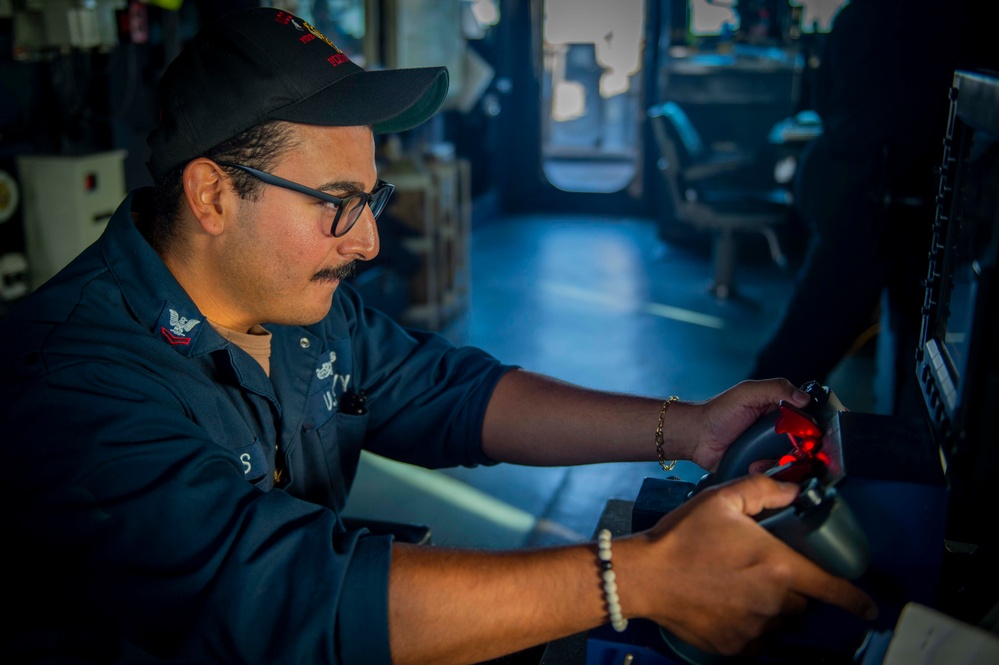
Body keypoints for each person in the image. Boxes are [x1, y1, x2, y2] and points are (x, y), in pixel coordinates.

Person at [0, 7, 876, 665]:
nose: (370, 239)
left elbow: (450, 393)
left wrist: (691, 428)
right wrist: (638, 577)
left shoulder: (295, 307)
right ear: (212, 195)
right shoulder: (67, 385)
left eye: (370, 199)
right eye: (339, 203)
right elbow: (282, 596)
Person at [747, 0, 961, 416]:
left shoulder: (856, 14)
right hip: (878, 195)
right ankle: (739, 439)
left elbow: (823, 100)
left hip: (844, 179)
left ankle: (742, 432)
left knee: (820, 324)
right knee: (822, 331)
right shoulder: (945, 17)